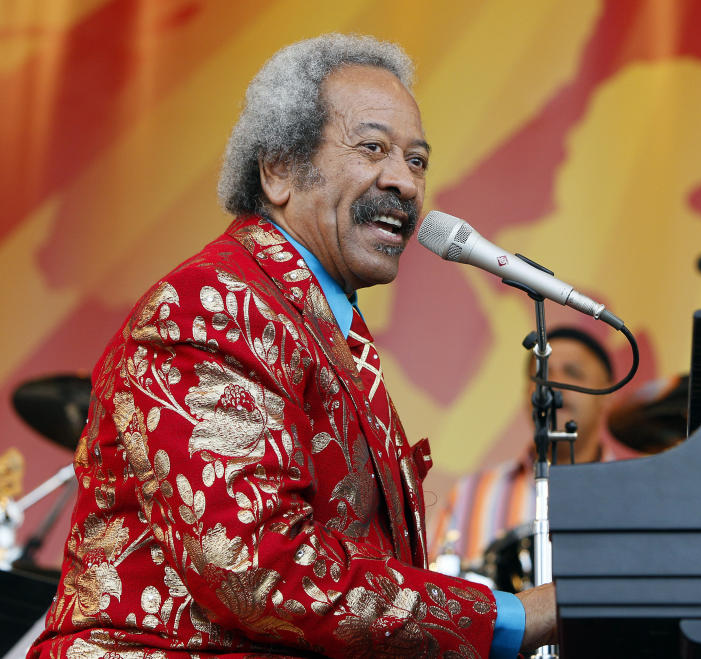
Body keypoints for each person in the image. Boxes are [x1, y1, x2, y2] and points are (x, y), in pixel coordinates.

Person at [30, 34, 554, 659]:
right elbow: (258, 568)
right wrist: (515, 616)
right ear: (278, 169)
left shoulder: (315, 325)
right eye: (373, 148)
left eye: (417, 161)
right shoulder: (211, 308)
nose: (406, 184)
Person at [430, 327, 614, 573]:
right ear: (526, 394)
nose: (552, 385)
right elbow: (432, 593)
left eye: (573, 373)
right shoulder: (470, 494)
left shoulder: (637, 498)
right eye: (541, 374)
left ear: (607, 394)